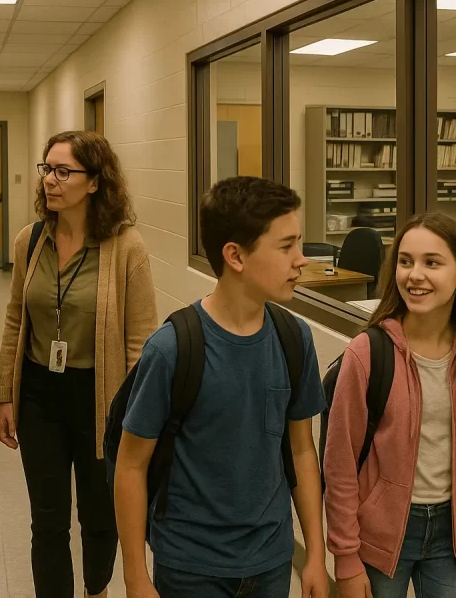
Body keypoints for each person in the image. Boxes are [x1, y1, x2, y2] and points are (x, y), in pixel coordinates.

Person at [114, 177, 329, 598]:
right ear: (235, 256)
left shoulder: (293, 339)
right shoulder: (172, 349)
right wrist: (136, 576)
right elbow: (131, 465)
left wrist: (316, 557)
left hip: (271, 560)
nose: (301, 260)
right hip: (191, 565)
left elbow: (302, 450)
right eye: (286, 247)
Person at [0, 131, 158, 598]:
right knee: (46, 516)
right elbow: (14, 320)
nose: (50, 180)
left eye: (64, 171)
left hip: (101, 396)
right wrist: (5, 392)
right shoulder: (30, 241)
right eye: (47, 169)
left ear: (94, 183)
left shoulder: (126, 246)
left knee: (98, 513)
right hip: (39, 394)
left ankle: (95, 590)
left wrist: (133, 418)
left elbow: (140, 341)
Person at [324, 213, 456, 598]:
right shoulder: (368, 352)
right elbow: (339, 465)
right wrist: (346, 558)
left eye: (432, 262)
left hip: (451, 536)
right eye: (405, 261)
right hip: (380, 534)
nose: (414, 275)